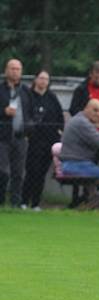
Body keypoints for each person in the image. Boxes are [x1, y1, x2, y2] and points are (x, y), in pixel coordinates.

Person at [22, 70, 63, 210]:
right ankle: (23, 201)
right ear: (35, 79)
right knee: (32, 171)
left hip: (49, 141)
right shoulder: (28, 96)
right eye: (41, 78)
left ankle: (35, 203)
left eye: (46, 79)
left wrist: (59, 131)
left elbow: (59, 118)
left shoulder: (52, 97)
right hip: (33, 140)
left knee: (41, 173)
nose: (44, 81)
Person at [0, 58, 32, 208]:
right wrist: (3, 111)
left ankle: (15, 203)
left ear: (21, 72)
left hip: (20, 137)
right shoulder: (1, 89)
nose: (15, 71)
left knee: (19, 173)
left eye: (18, 69)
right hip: (3, 137)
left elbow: (31, 112)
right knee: (3, 171)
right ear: (6, 71)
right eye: (12, 68)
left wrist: (29, 129)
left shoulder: (26, 91)